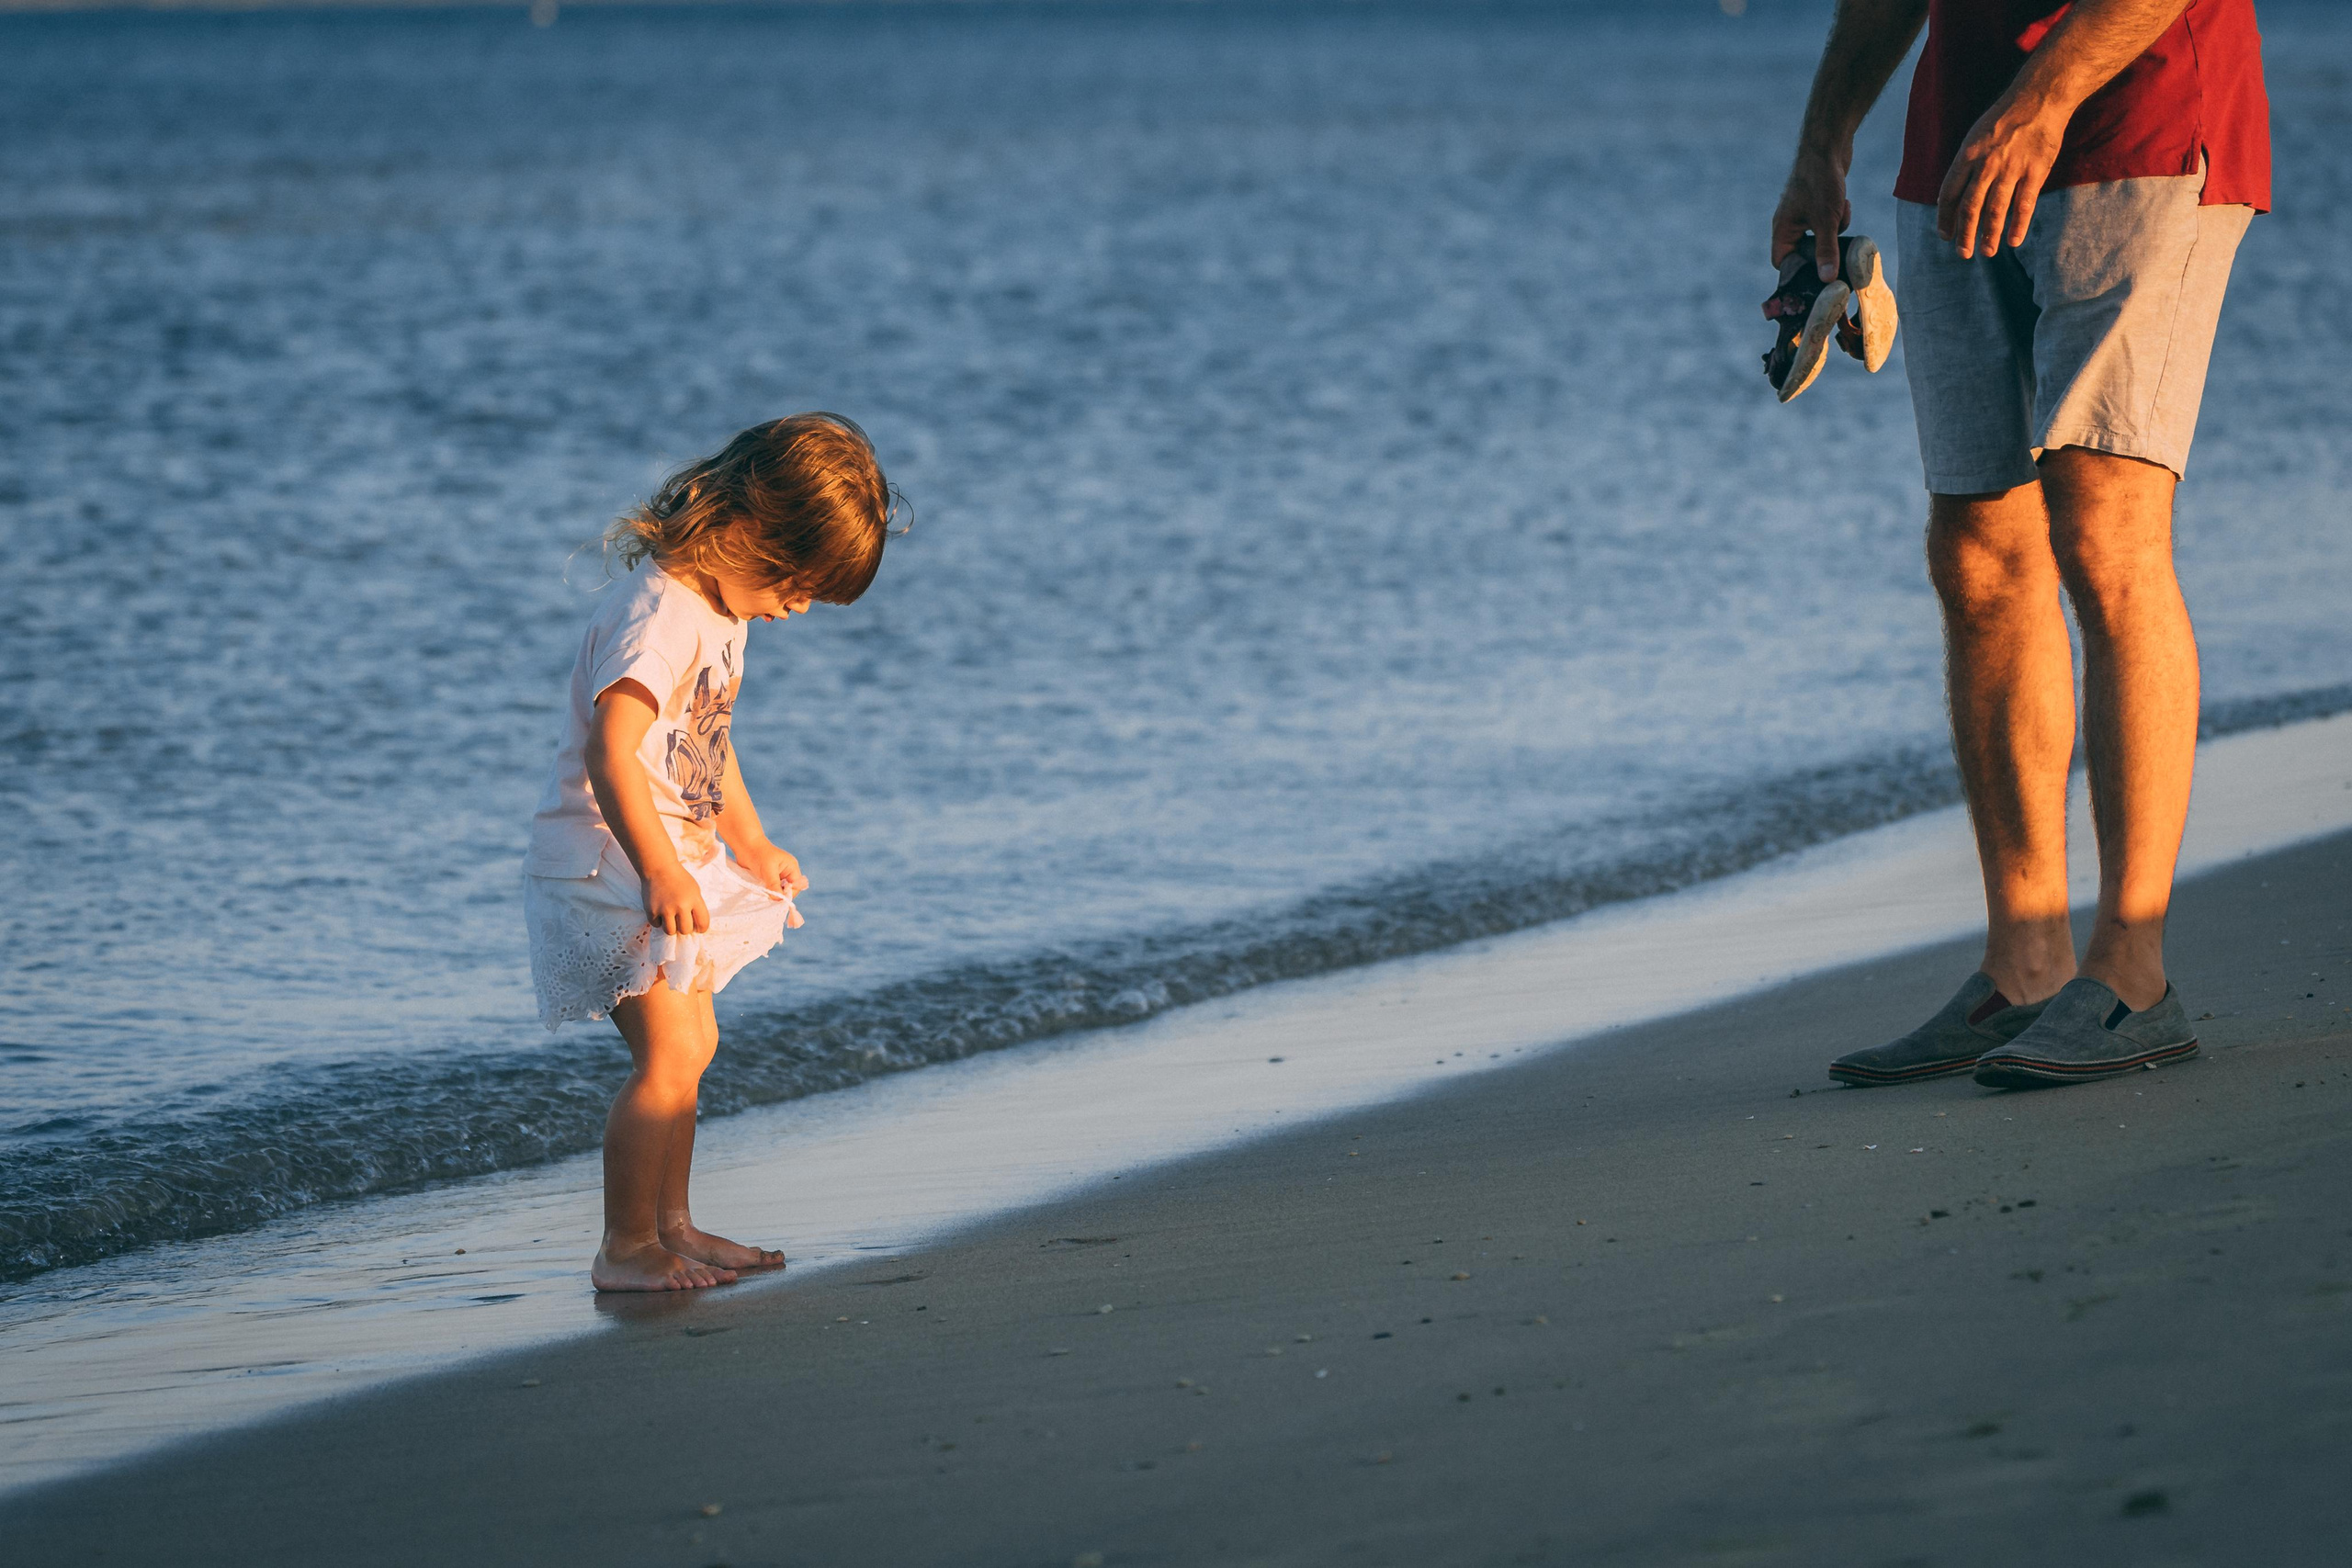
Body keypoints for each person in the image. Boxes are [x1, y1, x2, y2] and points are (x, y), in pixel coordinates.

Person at [1769, 2, 2269, 1088]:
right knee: (1979, 547)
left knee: (2104, 521)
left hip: (2141, 122)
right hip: (1956, 148)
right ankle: (2027, 961)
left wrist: (2042, 100)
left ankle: (2131, 971)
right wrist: (1823, 141)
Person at [524, 414, 897, 1290]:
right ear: (750, 530)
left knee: (695, 1046)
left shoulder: (722, 610)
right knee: (668, 1057)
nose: (797, 607)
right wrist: (659, 868)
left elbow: (706, 745)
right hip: (601, 865)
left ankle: (674, 1225)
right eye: (797, 585)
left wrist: (752, 841)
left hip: (657, 860)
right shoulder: (657, 615)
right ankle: (624, 1246)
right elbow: (610, 752)